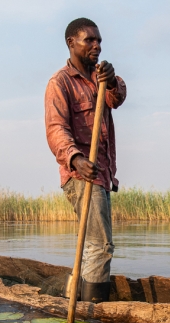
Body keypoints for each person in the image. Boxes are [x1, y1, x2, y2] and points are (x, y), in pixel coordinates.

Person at [44, 17, 126, 303]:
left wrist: (113, 80)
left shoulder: (100, 76)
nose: (97, 46)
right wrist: (76, 158)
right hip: (80, 175)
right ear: (71, 43)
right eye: (89, 40)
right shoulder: (60, 83)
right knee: (100, 245)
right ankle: (94, 313)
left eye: (99, 40)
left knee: (95, 245)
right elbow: (56, 129)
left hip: (102, 175)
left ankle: (75, 294)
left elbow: (117, 98)